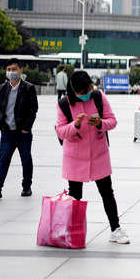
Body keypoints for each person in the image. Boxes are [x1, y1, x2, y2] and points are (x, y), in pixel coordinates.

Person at [56, 71, 130, 244]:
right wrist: (75, 125)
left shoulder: (98, 96)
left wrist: (100, 124)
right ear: (74, 90)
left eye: (88, 88)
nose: (87, 93)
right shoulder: (64, 104)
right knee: (75, 195)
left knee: (107, 192)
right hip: (75, 157)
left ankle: (116, 229)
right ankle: (72, 232)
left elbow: (112, 121)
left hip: (98, 154)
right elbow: (60, 131)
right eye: (83, 92)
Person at [0, 58, 39, 199]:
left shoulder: (28, 88)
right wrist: (1, 124)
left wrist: (26, 128)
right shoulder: (3, 88)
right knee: (3, 159)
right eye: (9, 69)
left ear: (21, 70)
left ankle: (26, 186)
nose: (11, 72)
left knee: (26, 159)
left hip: (23, 132)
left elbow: (33, 110)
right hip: (7, 132)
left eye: (14, 69)